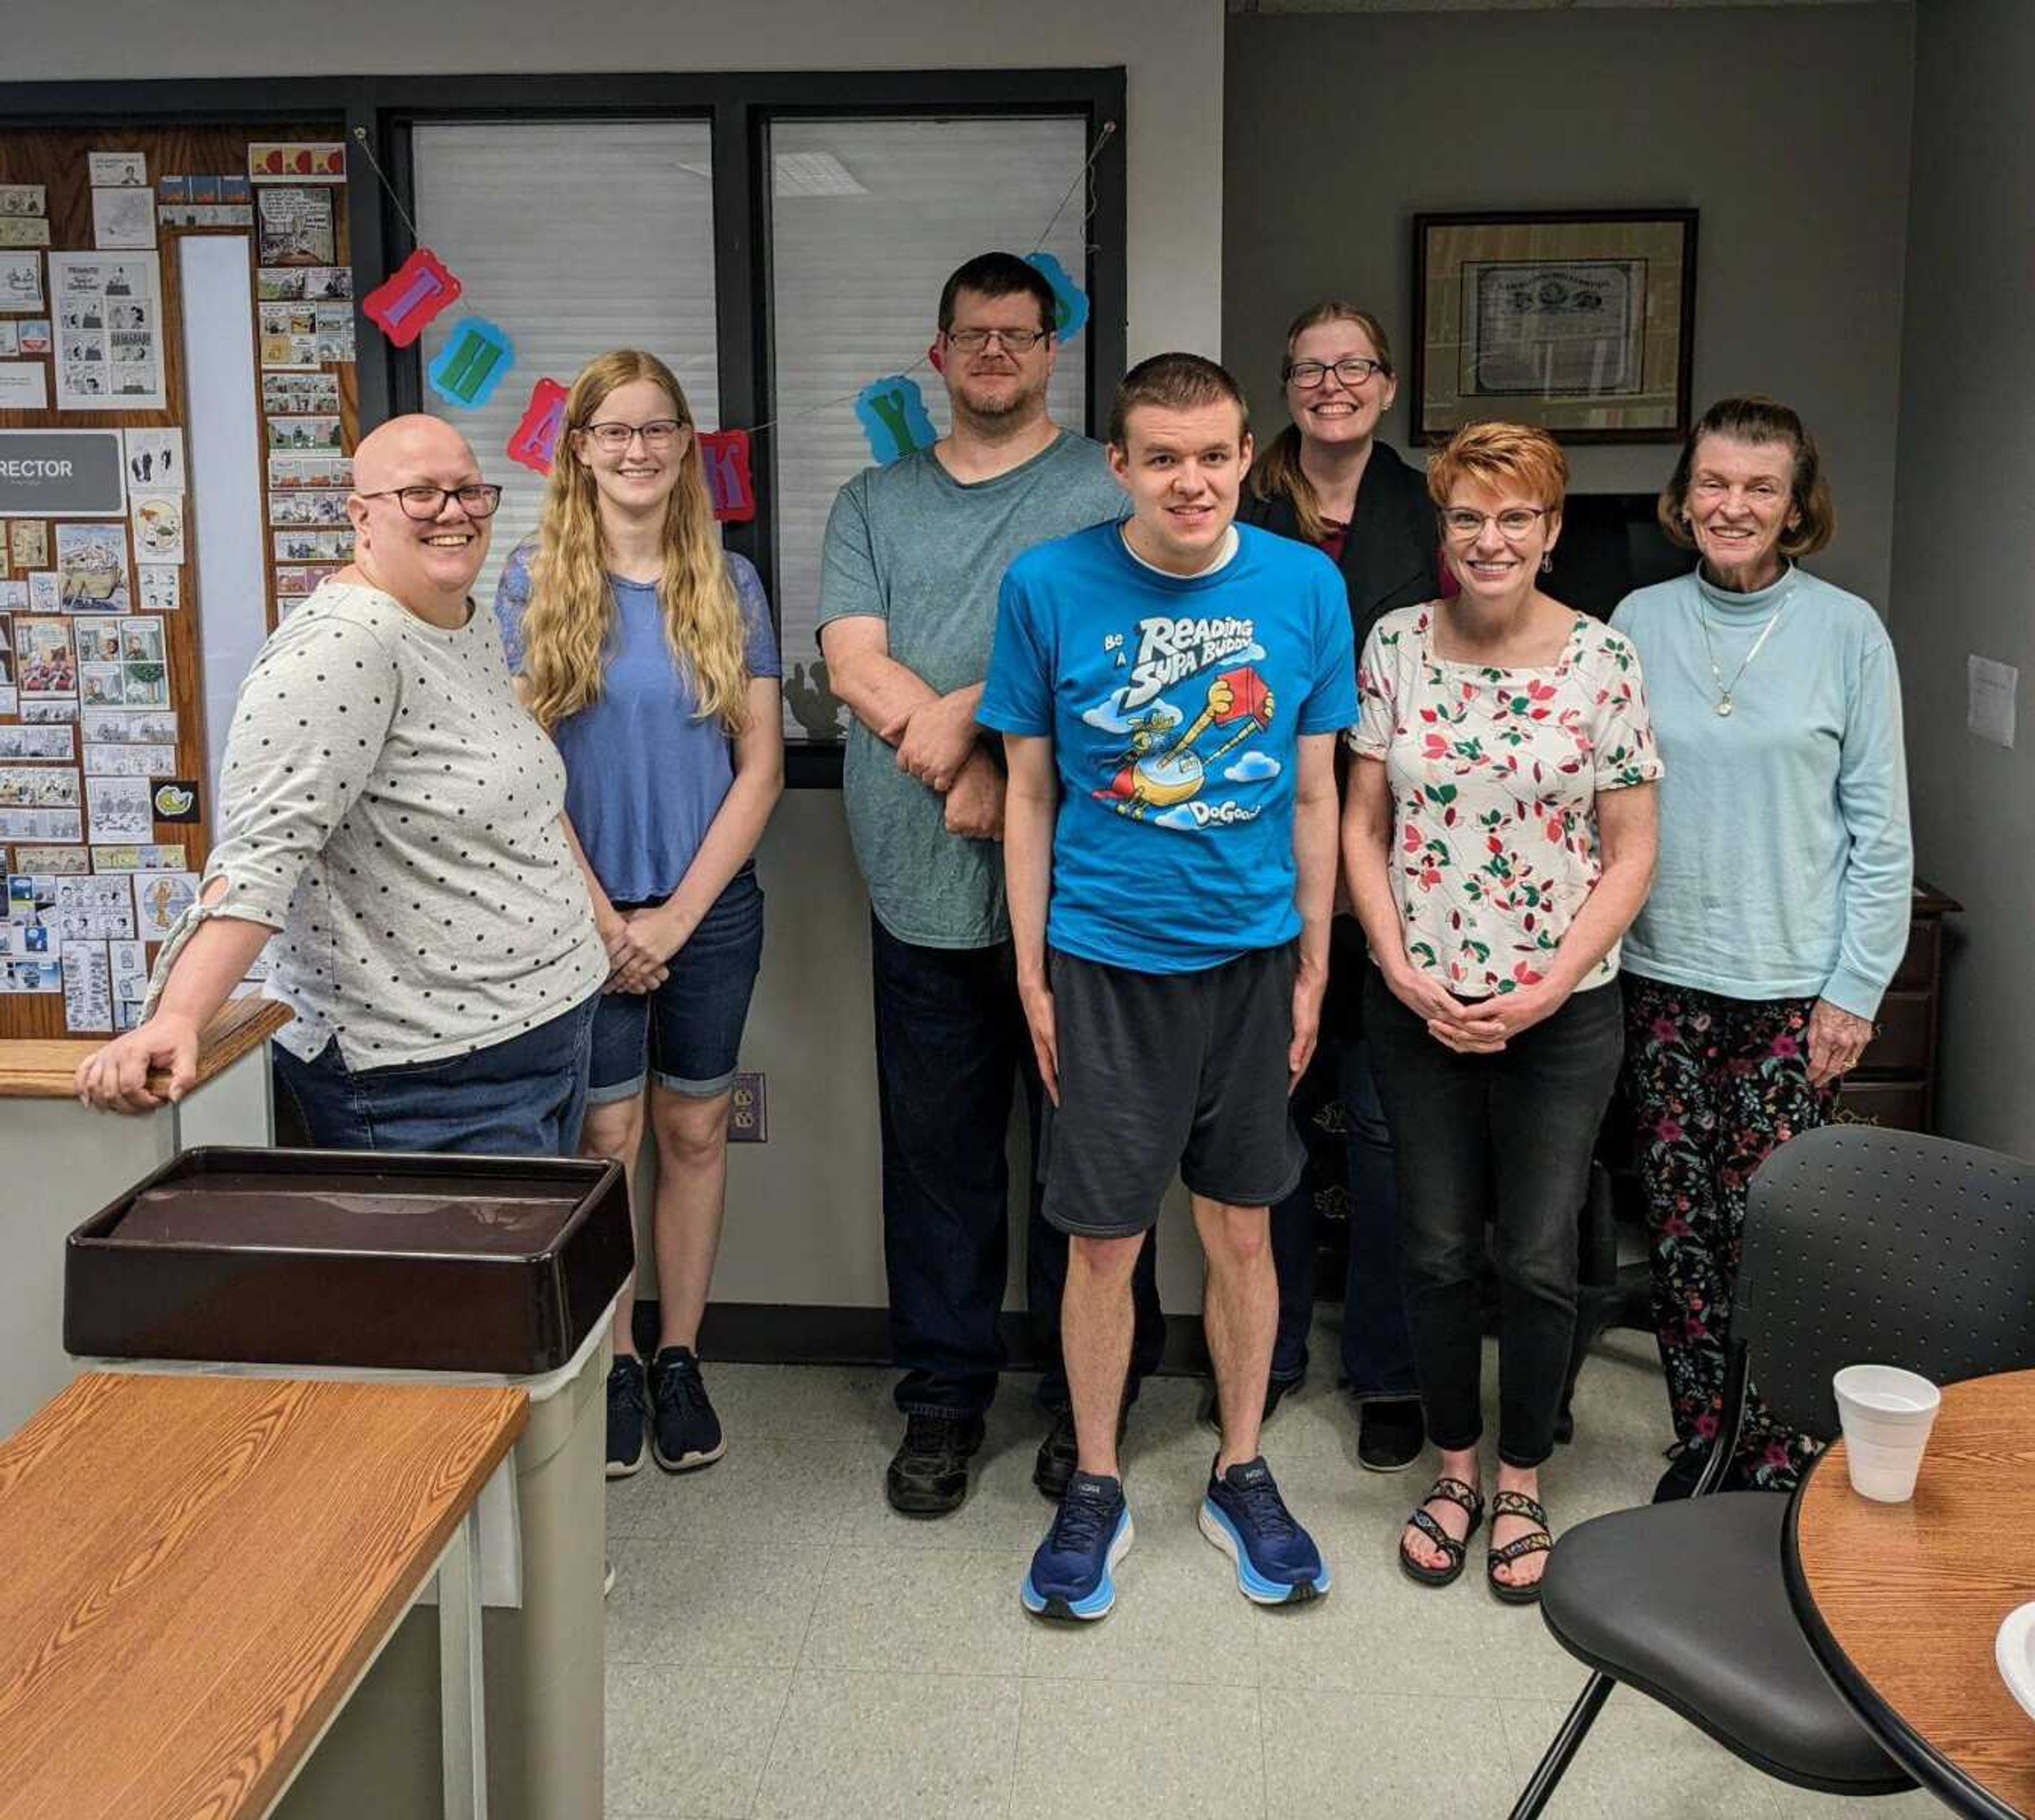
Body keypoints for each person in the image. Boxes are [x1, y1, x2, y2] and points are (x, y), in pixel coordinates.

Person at [984, 351, 1351, 1618]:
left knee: (1244, 1228)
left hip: (1252, 963)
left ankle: (1239, 1466)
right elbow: (1028, 792)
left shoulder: (1306, 585)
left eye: (1212, 455)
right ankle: (1095, 1478)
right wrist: (1032, 969)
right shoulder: (1047, 585)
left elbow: (1316, 792)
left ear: (1248, 454)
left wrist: (1315, 961)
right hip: (1103, 963)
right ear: (1121, 464)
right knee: (1102, 1242)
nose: (1189, 481)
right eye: (1162, 457)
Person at [818, 251, 1165, 1518]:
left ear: (1051, 350)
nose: (997, 355)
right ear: (940, 353)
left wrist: (980, 728)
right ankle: (945, 1398)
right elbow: (854, 664)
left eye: (1019, 335)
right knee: (939, 1160)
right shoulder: (873, 499)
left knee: (1092, 1162)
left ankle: (1090, 1405)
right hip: (919, 888)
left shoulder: (1103, 485)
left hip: (1087, 890)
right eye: (975, 336)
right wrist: (951, 758)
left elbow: (1123, 656)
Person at [75, 415, 614, 1151]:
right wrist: (176, 1018)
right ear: (361, 515)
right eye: (420, 494)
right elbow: (260, 858)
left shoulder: (464, 622)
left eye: (468, 491)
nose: (452, 511)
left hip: (546, 1030)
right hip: (427, 1077)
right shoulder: (342, 648)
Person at [1343, 420, 1660, 1602]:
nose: (1490, 539)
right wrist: (1398, 961)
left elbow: (1630, 854)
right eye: (1468, 517)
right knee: (1431, 1250)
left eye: (1514, 518)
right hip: (1417, 1003)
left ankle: (1523, 1474)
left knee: (1534, 1257)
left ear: (1552, 529)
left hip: (1561, 1008)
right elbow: (1360, 825)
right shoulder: (1394, 648)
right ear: (1445, 528)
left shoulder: (1603, 660)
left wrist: (1539, 988)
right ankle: (1456, 1467)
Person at [1612, 395, 1911, 1498]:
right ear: (1685, 497)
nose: (1733, 505)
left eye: (1760, 488)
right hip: (1661, 974)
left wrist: (1856, 990)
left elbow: (1883, 831)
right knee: (1684, 1228)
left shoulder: (1847, 632)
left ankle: (1782, 1451)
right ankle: (1707, 1437)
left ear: (1796, 507)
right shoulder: (1637, 620)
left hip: (1794, 989)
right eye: (1715, 483)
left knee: (1777, 1231)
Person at [497, 349, 783, 1481]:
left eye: (657, 428)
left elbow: (758, 770)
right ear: (578, 449)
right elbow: (528, 768)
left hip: (708, 913)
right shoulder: (531, 582)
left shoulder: (731, 583)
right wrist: (609, 919)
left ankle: (678, 1353)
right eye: (612, 431)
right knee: (606, 1139)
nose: (637, 450)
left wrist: (672, 921)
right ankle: (613, 1356)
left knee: (695, 1130)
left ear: (683, 444)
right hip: (580, 914)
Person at [1238, 299, 1437, 1471]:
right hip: (1261, 852)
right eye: (1309, 368)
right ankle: (1261, 1355)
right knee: (1264, 1116)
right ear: (1286, 385)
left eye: (1353, 366)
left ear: (1388, 384)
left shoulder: (1427, 506)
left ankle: (1389, 1368)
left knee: (1384, 1126)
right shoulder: (1245, 501)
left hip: (1404, 863)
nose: (1331, 385)